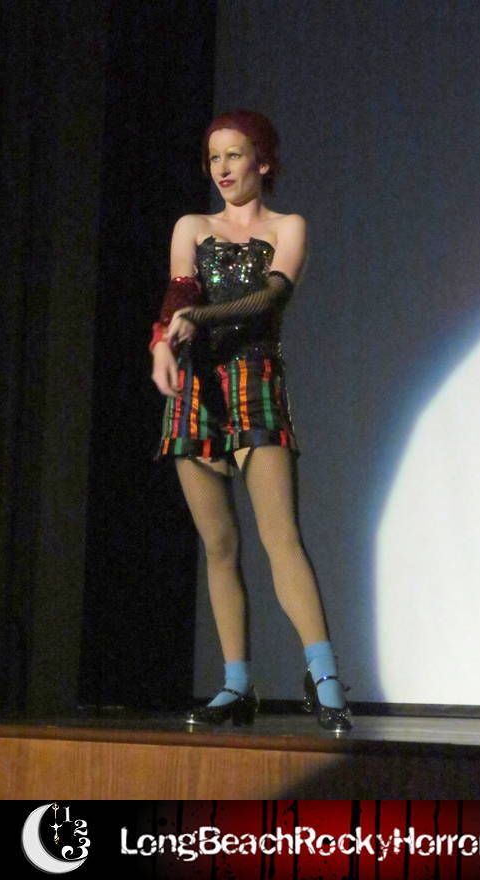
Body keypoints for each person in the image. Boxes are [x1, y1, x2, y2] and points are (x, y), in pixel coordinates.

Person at [150, 110, 351, 732]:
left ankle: (325, 680)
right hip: (196, 387)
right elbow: (181, 292)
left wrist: (197, 321)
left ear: (262, 160)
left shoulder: (288, 226)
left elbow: (270, 296)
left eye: (234, 155)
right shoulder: (192, 226)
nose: (222, 168)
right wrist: (162, 341)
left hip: (255, 380)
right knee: (219, 546)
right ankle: (237, 686)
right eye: (214, 158)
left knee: (280, 537)